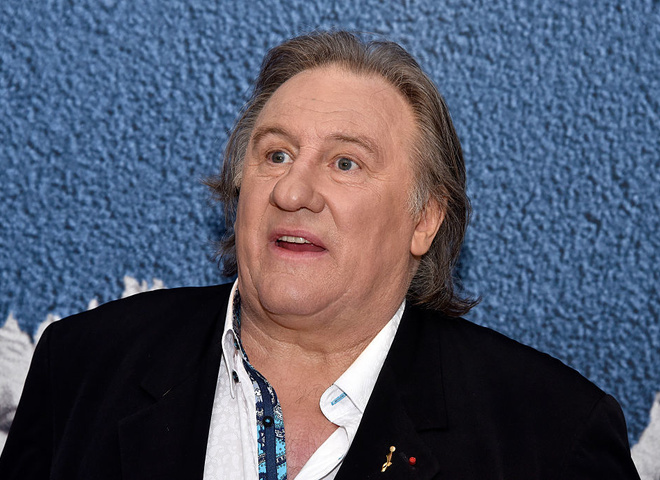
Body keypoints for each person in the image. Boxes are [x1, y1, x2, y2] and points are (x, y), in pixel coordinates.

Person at [0, 30, 640, 480]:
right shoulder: (82, 368)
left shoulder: (550, 435)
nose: (292, 191)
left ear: (425, 219)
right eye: (276, 154)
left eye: (345, 163)